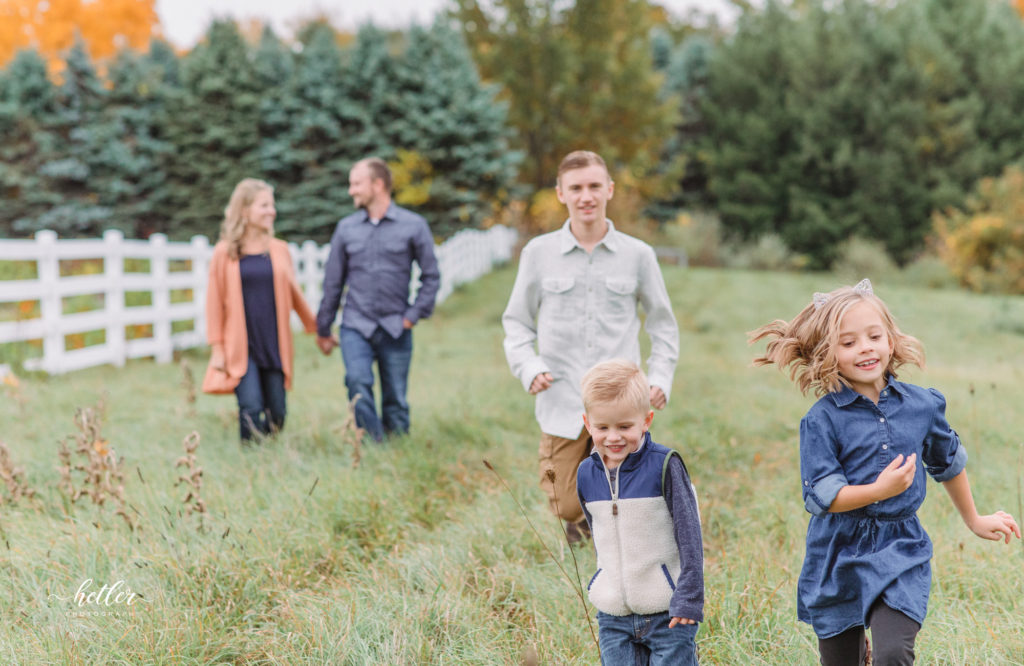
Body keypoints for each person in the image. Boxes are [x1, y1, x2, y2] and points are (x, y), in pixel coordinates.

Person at [749, 278, 1020, 665]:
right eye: (848, 342)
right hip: (837, 551)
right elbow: (821, 497)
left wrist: (975, 519)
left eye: (874, 336)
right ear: (829, 353)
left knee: (893, 654)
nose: (865, 348)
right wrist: (878, 489)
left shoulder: (922, 405)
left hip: (900, 546)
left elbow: (948, 462)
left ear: (890, 340)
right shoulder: (821, 421)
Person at [502, 150, 679, 543]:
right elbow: (516, 321)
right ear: (561, 193)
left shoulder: (638, 255)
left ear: (609, 190)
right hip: (562, 398)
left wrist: (660, 378)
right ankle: (583, 525)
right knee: (567, 504)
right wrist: (528, 367)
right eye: (576, 188)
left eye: (595, 186)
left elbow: (663, 325)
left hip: (621, 403)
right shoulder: (538, 254)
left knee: (628, 494)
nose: (587, 196)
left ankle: (619, 546)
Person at [576, 359, 703, 665]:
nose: (613, 437)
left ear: (646, 420)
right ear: (587, 423)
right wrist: (603, 582)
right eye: (602, 427)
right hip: (613, 616)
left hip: (667, 612)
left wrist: (688, 598)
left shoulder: (664, 465)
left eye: (624, 426)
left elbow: (690, 534)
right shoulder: (585, 474)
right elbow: (599, 533)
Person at [315, 157, 440, 442]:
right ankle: (373, 445)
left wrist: (412, 315)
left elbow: (431, 277)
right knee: (357, 382)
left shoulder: (414, 225)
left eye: (356, 183)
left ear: (378, 184)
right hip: (355, 325)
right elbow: (332, 283)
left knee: (395, 397)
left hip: (396, 326)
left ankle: (397, 449)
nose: (351, 191)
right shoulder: (345, 229)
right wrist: (323, 329)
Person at [202, 178, 317, 443]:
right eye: (264, 205)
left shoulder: (279, 250)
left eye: (272, 206)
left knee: (277, 412)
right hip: (240, 345)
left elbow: (295, 294)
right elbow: (214, 304)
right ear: (244, 211)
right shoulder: (225, 252)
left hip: (274, 341)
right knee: (251, 408)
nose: (271, 211)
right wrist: (217, 348)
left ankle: (267, 452)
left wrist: (317, 328)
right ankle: (250, 461)